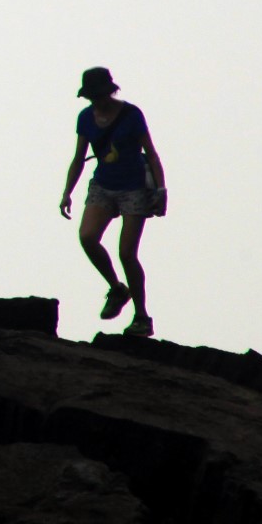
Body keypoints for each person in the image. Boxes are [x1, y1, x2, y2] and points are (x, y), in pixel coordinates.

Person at [60, 67, 167, 338]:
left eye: (99, 95)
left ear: (110, 91)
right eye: (92, 97)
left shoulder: (131, 115)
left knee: (127, 254)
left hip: (134, 188)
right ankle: (117, 289)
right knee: (87, 237)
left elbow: (151, 154)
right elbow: (78, 158)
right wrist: (66, 192)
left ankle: (142, 317)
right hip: (103, 186)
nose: (96, 101)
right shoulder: (85, 118)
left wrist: (161, 189)